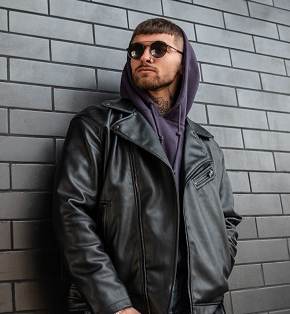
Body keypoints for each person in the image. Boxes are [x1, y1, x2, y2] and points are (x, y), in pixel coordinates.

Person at [53, 18, 241, 314]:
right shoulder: (96, 126)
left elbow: (227, 220)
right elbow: (72, 214)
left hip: (201, 302)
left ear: (183, 63)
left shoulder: (206, 145)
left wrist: (216, 271)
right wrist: (114, 303)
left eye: (158, 48)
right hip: (128, 302)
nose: (144, 56)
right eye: (136, 50)